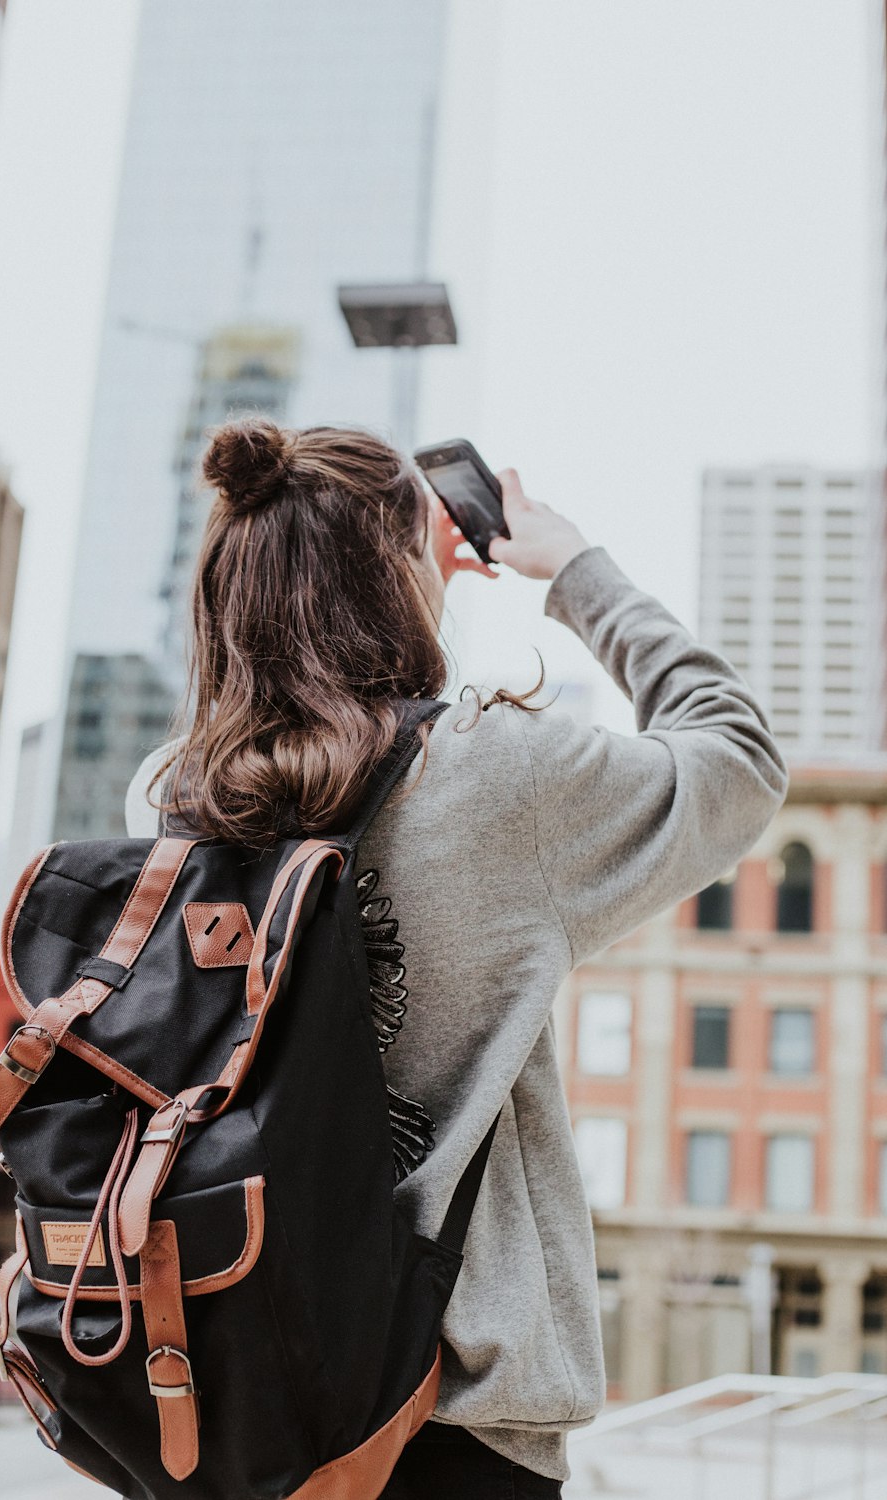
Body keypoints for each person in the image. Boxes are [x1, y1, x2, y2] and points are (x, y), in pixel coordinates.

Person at [126, 419, 787, 1499]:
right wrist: (571, 568)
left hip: (228, 1393)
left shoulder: (172, 800)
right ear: (394, 571)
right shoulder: (497, 781)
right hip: (454, 1423)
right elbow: (738, 755)